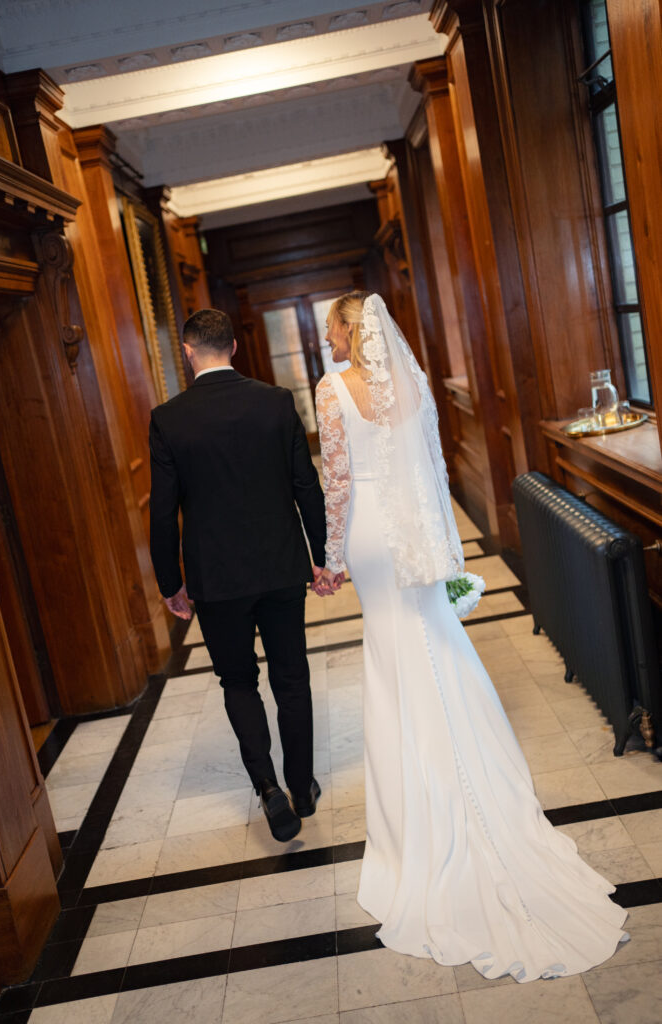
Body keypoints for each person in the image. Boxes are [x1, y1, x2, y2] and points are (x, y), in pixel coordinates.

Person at [313, 291, 629, 982]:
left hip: (369, 534)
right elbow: (428, 471)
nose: (329, 340)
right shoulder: (412, 384)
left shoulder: (332, 389)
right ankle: (461, 766)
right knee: (432, 645)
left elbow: (337, 483)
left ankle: (419, 816)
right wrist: (439, 549)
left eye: (332, 328)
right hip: (412, 535)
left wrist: (331, 559)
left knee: (393, 657)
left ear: (348, 330)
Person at [149, 308, 326, 842]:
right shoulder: (275, 402)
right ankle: (301, 786)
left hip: (215, 577)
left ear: (187, 351)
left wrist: (169, 583)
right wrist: (321, 555)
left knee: (237, 681)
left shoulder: (168, 418)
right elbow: (306, 485)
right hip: (279, 566)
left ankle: (267, 787)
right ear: (233, 346)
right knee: (291, 677)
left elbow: (162, 511)